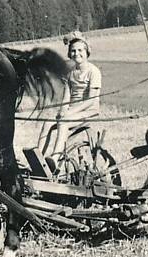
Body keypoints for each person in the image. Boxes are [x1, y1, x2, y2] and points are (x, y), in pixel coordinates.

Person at [37, 31, 101, 161]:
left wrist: (69, 112)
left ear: (87, 51)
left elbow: (91, 100)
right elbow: (66, 96)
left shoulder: (93, 71)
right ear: (69, 54)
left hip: (89, 111)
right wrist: (63, 110)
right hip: (73, 111)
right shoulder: (71, 73)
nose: (76, 53)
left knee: (63, 122)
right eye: (73, 51)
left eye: (80, 50)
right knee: (47, 122)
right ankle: (38, 158)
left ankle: (56, 157)